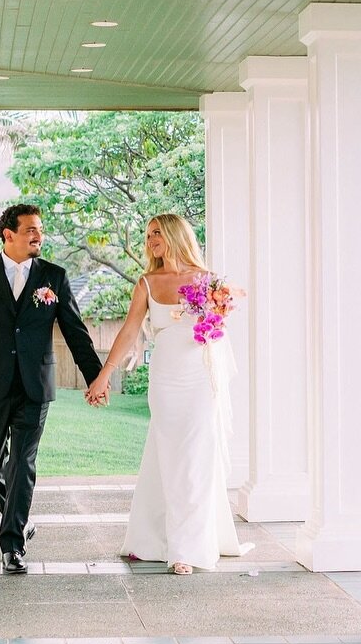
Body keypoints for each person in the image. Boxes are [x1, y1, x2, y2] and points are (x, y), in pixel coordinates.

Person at [0, 203, 107, 574]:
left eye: (40, 230)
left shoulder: (55, 278)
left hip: (35, 386)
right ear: (8, 234)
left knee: (23, 463)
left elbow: (77, 333)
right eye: (30, 229)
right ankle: (20, 519)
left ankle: (12, 544)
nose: (38, 236)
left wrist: (96, 376)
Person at [87, 214, 245, 574]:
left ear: (175, 234)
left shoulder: (208, 280)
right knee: (169, 456)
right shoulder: (146, 282)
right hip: (166, 380)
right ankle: (155, 535)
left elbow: (219, 327)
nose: (150, 239)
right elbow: (129, 332)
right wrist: (104, 375)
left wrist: (216, 317)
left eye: (156, 232)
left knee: (194, 459)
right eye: (147, 234)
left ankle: (186, 549)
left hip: (201, 379)